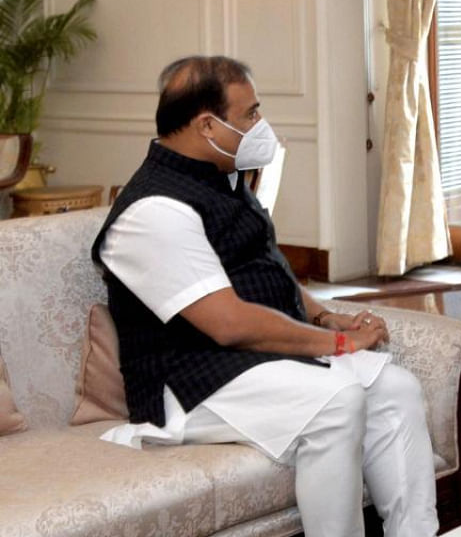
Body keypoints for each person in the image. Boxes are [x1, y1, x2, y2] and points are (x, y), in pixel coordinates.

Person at [91, 56, 439, 537]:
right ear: (207, 125)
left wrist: (323, 319)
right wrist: (339, 348)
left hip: (249, 361)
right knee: (337, 398)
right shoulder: (154, 211)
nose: (261, 125)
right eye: (250, 114)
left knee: (396, 388)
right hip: (186, 383)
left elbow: (264, 268)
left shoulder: (220, 175)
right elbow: (229, 323)